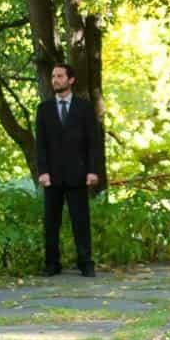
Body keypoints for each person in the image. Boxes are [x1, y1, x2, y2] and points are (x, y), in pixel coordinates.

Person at [36, 63, 102, 277]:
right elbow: (41, 144)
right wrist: (42, 171)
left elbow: (93, 142)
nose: (55, 80)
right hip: (52, 175)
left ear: (70, 80)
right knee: (51, 222)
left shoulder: (84, 108)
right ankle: (52, 264)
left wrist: (93, 170)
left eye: (60, 76)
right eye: (53, 76)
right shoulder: (44, 109)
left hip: (78, 174)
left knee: (80, 221)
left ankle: (85, 262)